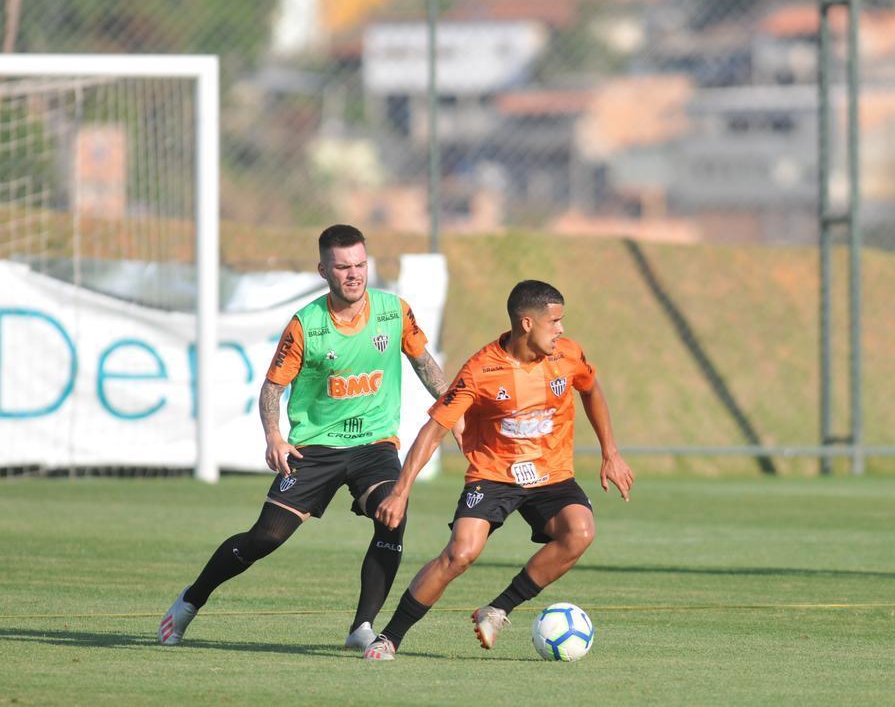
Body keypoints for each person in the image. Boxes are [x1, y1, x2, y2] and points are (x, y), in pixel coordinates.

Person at [159, 224, 460, 649]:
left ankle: (362, 628)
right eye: (342, 267)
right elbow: (272, 386)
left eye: (360, 264)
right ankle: (189, 601)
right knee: (266, 536)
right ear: (323, 270)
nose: (354, 275)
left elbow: (425, 364)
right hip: (315, 448)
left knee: (392, 514)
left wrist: (456, 412)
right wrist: (274, 436)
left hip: (374, 445)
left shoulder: (394, 312)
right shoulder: (306, 325)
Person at [361, 279, 635, 661]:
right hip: (494, 475)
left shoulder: (568, 355)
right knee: (460, 554)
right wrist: (400, 491)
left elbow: (591, 389)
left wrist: (611, 452)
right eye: (554, 321)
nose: (561, 329)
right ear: (527, 323)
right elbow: (434, 430)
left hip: (551, 474)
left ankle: (499, 608)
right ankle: (389, 637)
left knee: (580, 532)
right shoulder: (480, 369)